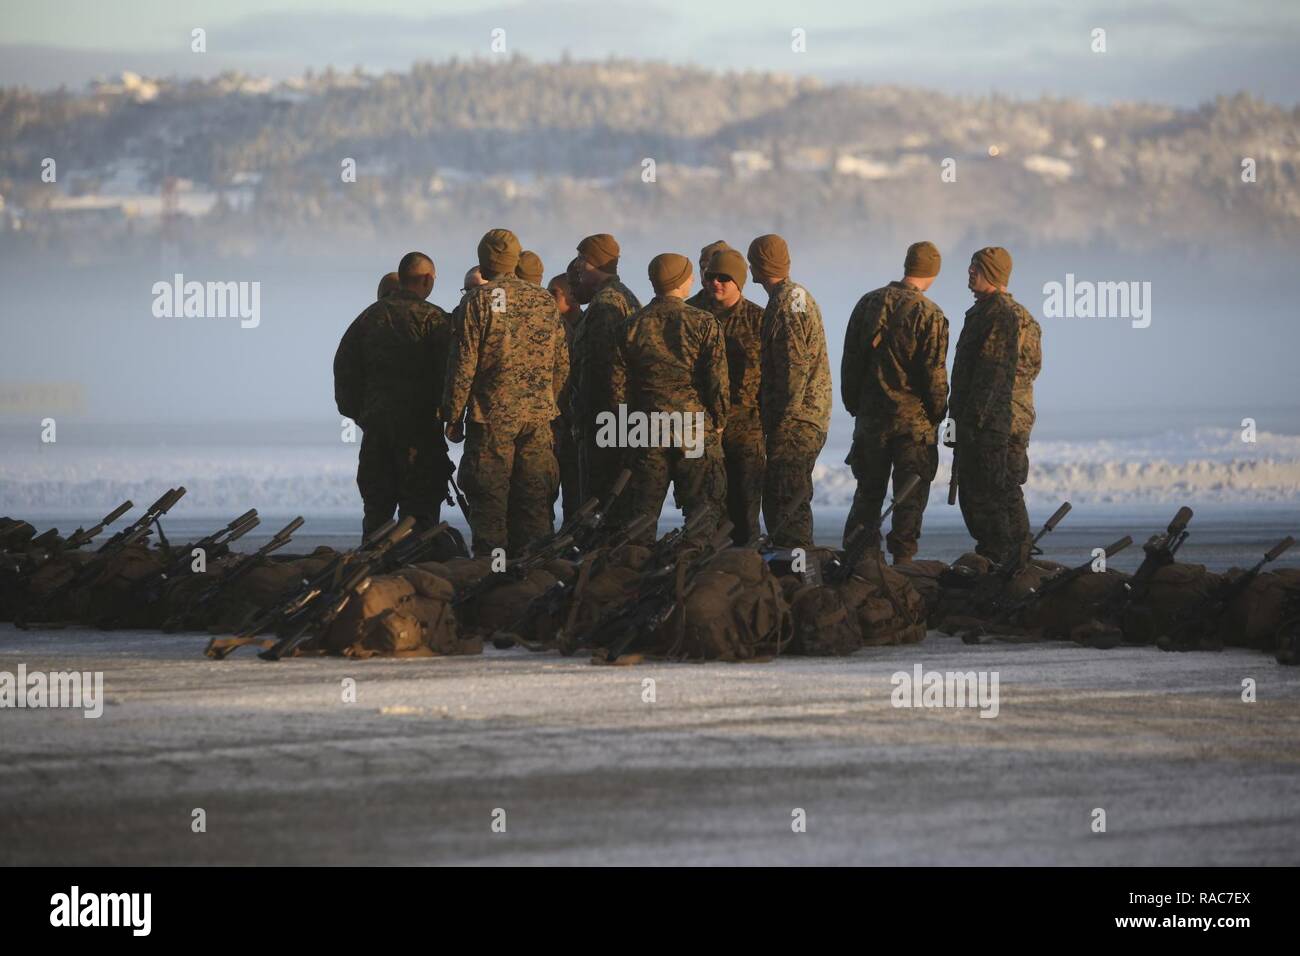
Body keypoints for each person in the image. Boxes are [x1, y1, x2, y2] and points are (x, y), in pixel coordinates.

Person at [441, 229, 569, 556]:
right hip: (538, 419)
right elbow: (561, 364)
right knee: (535, 503)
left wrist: (452, 416)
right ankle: (536, 578)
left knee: (490, 505)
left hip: (491, 420)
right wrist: (546, 402)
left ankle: (491, 577)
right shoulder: (543, 300)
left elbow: (463, 366)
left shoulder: (477, 302)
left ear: (484, 262)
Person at [840, 241, 949, 563]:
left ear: (906, 265)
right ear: (932, 273)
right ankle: (903, 562)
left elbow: (850, 361)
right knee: (909, 499)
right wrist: (938, 411)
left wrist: (854, 405)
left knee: (868, 493)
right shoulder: (930, 314)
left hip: (871, 419)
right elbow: (934, 375)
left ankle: (860, 562)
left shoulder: (867, 303)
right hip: (913, 426)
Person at [609, 253, 729, 542]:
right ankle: (694, 576)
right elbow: (717, 381)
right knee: (702, 514)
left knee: (641, 518)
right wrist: (720, 420)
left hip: (646, 427)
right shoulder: (703, 322)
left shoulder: (632, 324)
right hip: (693, 427)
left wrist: (625, 425)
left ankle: (632, 574)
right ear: (681, 280)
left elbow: (617, 386)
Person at [334, 252, 451, 535]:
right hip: (420, 435)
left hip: (377, 433)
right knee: (421, 518)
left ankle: (372, 575)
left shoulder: (367, 318)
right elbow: (452, 373)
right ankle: (416, 574)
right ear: (426, 279)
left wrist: (362, 414)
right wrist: (449, 415)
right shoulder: (435, 320)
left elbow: (344, 370)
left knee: (377, 514)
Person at [948, 246, 1042, 565]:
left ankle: (1009, 556)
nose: (970, 272)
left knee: (993, 492)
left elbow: (993, 373)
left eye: (977, 267)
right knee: (1000, 490)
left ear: (993, 273)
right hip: (996, 419)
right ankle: (1013, 553)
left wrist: (973, 421)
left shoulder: (999, 314)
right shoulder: (996, 313)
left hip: (997, 423)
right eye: (971, 266)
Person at [747, 234, 831, 549]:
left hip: (796, 423)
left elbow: (794, 367)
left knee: (785, 503)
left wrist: (782, 420)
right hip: (804, 418)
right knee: (787, 499)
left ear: (756, 265)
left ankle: (798, 578)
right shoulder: (795, 296)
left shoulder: (786, 303)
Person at [567, 233, 641, 503]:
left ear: (589, 263)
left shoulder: (606, 304)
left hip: (606, 420)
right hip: (618, 420)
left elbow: (602, 369)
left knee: (601, 501)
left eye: (580, 261)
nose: (576, 268)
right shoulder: (624, 297)